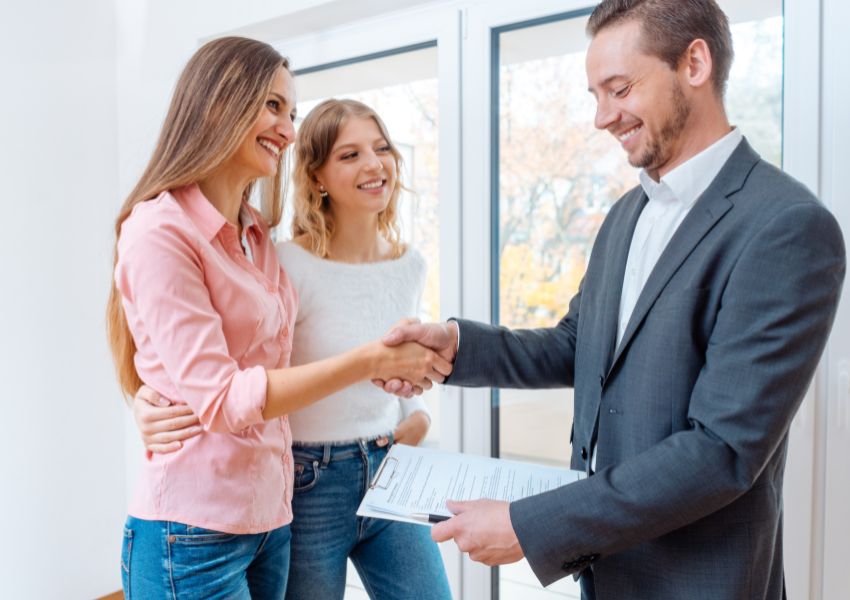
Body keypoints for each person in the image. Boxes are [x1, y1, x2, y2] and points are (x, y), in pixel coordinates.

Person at [376, 1, 846, 598]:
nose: (602, 117)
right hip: (606, 571)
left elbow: (721, 450)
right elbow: (582, 346)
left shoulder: (787, 225)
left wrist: (532, 526)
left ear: (694, 63)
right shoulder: (628, 212)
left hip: (699, 582)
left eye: (619, 89)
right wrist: (458, 348)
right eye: (595, 95)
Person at [107, 37, 449, 599]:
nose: (288, 129)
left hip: (271, 516)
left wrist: (410, 414)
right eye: (274, 107)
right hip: (196, 527)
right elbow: (218, 393)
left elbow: (266, 357)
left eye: (290, 112)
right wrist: (368, 361)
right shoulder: (160, 230)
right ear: (219, 102)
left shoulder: (255, 235)